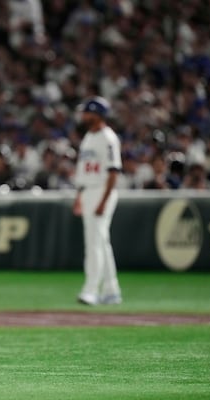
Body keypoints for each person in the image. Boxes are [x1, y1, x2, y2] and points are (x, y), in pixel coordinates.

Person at [72, 97, 122, 306]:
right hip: (88, 191)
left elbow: (113, 172)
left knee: (94, 243)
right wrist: (79, 197)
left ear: (97, 114)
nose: (83, 116)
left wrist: (103, 200)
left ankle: (91, 289)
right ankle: (111, 290)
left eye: (87, 112)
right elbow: (83, 171)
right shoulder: (88, 137)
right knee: (101, 242)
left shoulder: (108, 137)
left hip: (102, 190)